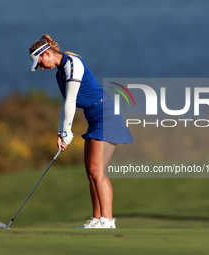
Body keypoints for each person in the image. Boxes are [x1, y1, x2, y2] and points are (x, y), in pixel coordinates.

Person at [29, 34, 133, 228]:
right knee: (91, 173)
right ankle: (96, 219)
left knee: (98, 171)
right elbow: (63, 106)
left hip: (106, 116)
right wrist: (61, 133)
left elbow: (71, 101)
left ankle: (108, 220)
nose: (41, 67)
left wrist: (68, 130)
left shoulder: (72, 63)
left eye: (41, 62)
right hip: (94, 119)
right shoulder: (60, 73)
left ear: (49, 53)